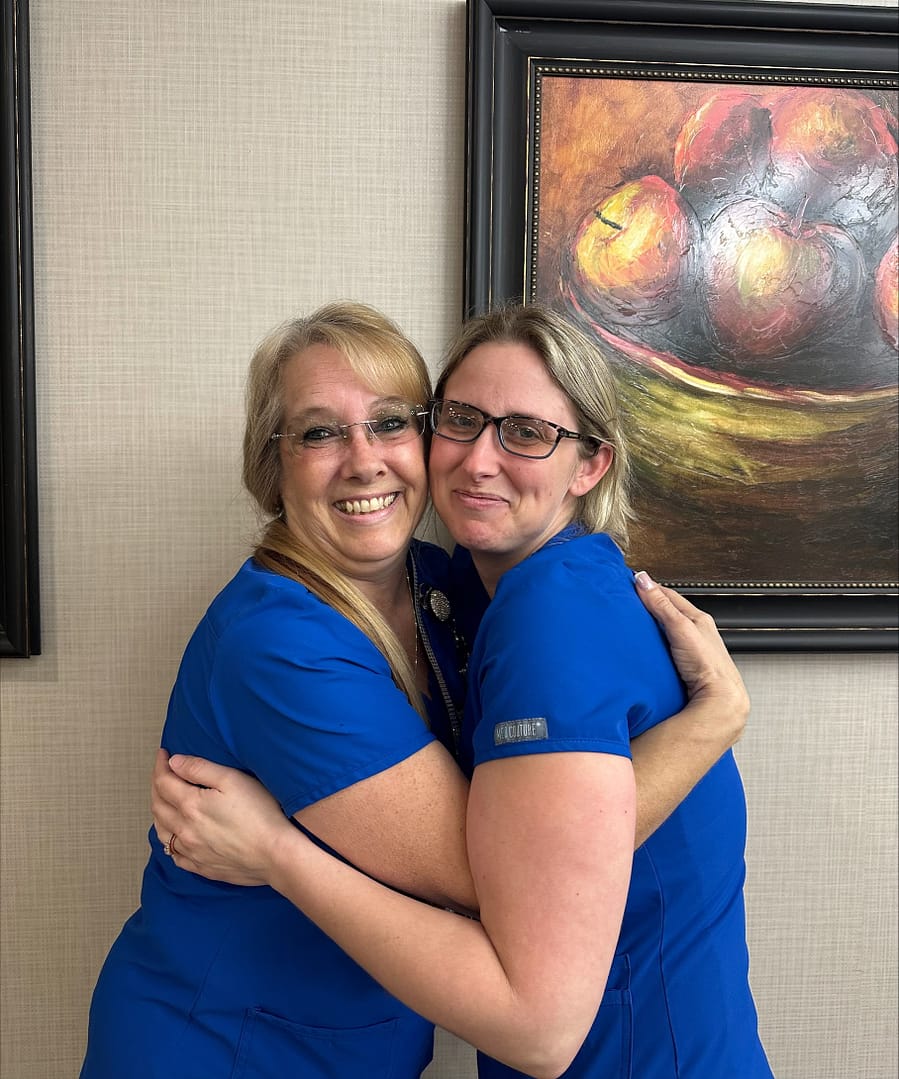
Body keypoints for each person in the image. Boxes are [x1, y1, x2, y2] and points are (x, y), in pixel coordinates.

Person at [81, 301, 747, 1079]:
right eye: (319, 431)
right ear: (274, 463)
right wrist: (711, 724)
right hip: (223, 1045)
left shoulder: (453, 590)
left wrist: (718, 717)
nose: (363, 460)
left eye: (392, 421)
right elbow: (492, 874)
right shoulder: (275, 644)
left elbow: (534, 842)